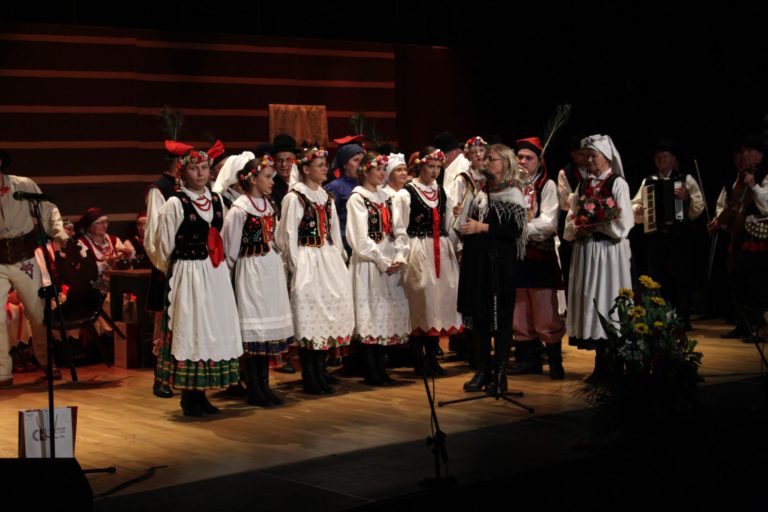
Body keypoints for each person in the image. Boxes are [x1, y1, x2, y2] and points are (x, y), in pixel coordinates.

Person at [147, 140, 243, 416]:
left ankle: (202, 394)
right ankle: (190, 396)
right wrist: (177, 271)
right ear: (182, 172)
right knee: (192, 327)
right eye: (194, 168)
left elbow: (221, 237)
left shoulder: (216, 201)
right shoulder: (175, 204)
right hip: (188, 273)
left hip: (213, 272)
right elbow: (163, 247)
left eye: (204, 168)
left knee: (211, 326)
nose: (200, 173)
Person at [275, 147, 354, 394]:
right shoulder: (295, 197)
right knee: (309, 319)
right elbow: (288, 235)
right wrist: (295, 268)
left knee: (327, 316)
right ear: (306, 169)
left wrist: (338, 259)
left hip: (327, 259)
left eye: (324, 165)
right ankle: (310, 375)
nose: (324, 169)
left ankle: (321, 371)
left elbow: (334, 233)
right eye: (319, 165)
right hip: (306, 259)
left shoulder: (326, 197)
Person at [222, 155, 293, 406]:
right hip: (250, 272)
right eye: (267, 177)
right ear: (253, 179)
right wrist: (227, 282)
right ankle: (254, 387)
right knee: (255, 332)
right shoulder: (240, 209)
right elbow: (229, 248)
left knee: (267, 333)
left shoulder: (268, 205)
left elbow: (274, 239)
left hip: (269, 271)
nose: (272, 181)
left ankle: (264, 385)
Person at [457, 143, 528, 393]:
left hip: (499, 265)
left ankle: (500, 374)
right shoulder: (480, 191)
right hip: (477, 262)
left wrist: (482, 228)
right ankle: (482, 371)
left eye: (491, 159)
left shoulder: (513, 193)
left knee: (500, 319)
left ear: (506, 163)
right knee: (480, 319)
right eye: (485, 158)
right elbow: (466, 221)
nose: (485, 162)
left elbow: (514, 230)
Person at [563, 134, 634, 380]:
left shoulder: (617, 184)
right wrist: (577, 227)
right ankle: (601, 365)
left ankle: (614, 364)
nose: (589, 160)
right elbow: (571, 217)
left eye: (593, 156)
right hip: (587, 252)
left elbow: (624, 224)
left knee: (607, 300)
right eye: (586, 156)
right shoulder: (583, 185)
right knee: (592, 301)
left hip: (608, 253)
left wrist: (598, 226)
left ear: (607, 158)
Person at [0, 149, 69, 387]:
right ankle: (2, 372)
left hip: (24, 258)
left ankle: (46, 361)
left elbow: (47, 209)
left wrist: (59, 233)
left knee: (38, 312)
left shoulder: (22, 185)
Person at [393, 147, 462, 377]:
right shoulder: (406, 194)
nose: (434, 171)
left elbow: (448, 224)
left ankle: (432, 357)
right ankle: (418, 359)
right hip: (418, 250)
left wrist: (454, 228)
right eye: (430, 166)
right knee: (421, 302)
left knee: (437, 303)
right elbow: (400, 228)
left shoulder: (442, 192)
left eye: (438, 167)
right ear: (420, 166)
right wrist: (402, 255)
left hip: (440, 249)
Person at [346, 152, 410, 385]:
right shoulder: (357, 199)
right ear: (365, 171)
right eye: (378, 169)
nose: (383, 173)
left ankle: (381, 368)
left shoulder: (388, 198)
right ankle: (371, 370)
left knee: (385, 315)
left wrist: (401, 255)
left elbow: (400, 230)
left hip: (390, 263)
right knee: (371, 315)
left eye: (384, 169)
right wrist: (382, 260)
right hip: (370, 265)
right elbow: (359, 239)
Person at [507, 137, 566, 379]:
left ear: (539, 161)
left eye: (528, 158)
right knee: (520, 312)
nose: (522, 161)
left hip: (539, 256)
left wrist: (521, 228)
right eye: (519, 157)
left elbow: (549, 222)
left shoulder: (547, 185)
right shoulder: (511, 185)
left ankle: (555, 362)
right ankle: (529, 360)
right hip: (517, 257)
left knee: (544, 311)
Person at [631, 140, 704, 330]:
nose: (661, 160)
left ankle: (682, 318)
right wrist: (638, 209)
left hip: (680, 236)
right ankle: (659, 318)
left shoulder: (685, 179)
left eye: (665, 156)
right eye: (658, 157)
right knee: (656, 277)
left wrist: (686, 199)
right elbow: (635, 203)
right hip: (657, 236)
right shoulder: (648, 181)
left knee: (682, 277)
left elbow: (699, 206)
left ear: (673, 159)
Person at [711, 133, 768, 338]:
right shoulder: (736, 179)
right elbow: (727, 205)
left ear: (759, 156)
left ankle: (761, 328)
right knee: (738, 283)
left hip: (757, 238)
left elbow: (767, 206)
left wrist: (754, 186)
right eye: (743, 151)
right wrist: (719, 221)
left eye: (749, 151)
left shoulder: (764, 177)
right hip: (738, 237)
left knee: (756, 283)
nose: (744, 155)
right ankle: (743, 326)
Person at [145, 142, 181, 398]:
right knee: (164, 323)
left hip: (190, 266)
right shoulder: (160, 190)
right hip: (167, 266)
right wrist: (165, 265)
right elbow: (153, 234)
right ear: (178, 165)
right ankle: (161, 377)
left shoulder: (190, 190)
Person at [325, 142, 365, 254]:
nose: (360, 164)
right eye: (356, 160)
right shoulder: (335, 187)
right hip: (345, 246)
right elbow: (329, 221)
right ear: (345, 164)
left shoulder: (366, 185)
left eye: (362, 160)